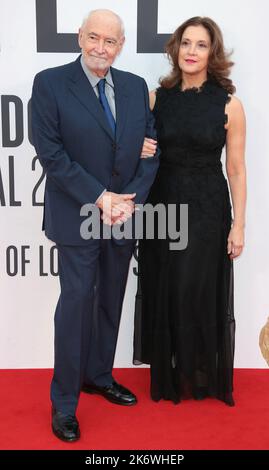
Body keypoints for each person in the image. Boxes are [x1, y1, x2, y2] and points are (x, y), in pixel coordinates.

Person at [31, 9, 159, 442]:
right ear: (80, 37)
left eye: (111, 41)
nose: (101, 48)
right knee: (77, 304)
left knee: (110, 300)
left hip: (122, 215)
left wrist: (130, 202)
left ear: (121, 45)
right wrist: (100, 198)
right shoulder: (50, 83)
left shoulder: (135, 87)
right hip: (79, 214)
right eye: (94, 37)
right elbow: (51, 154)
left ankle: (99, 375)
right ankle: (64, 401)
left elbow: (151, 149)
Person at [134, 16, 246, 406]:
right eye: (186, 43)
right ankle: (167, 377)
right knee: (164, 284)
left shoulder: (229, 104)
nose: (191, 52)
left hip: (206, 208)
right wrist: (141, 149)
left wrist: (239, 225)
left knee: (195, 288)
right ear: (175, 49)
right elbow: (137, 150)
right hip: (161, 203)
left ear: (212, 53)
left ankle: (198, 374)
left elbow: (235, 169)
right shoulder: (155, 98)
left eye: (200, 45)